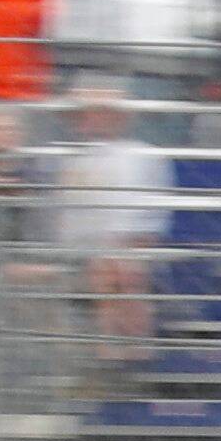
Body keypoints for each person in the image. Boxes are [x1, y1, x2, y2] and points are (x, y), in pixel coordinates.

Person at [46, 83, 173, 358]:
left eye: (102, 112)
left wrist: (117, 250)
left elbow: (148, 220)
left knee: (118, 273)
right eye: (87, 113)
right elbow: (64, 220)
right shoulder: (66, 158)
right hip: (78, 253)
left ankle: (126, 354)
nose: (92, 120)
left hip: (126, 251)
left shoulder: (142, 155)